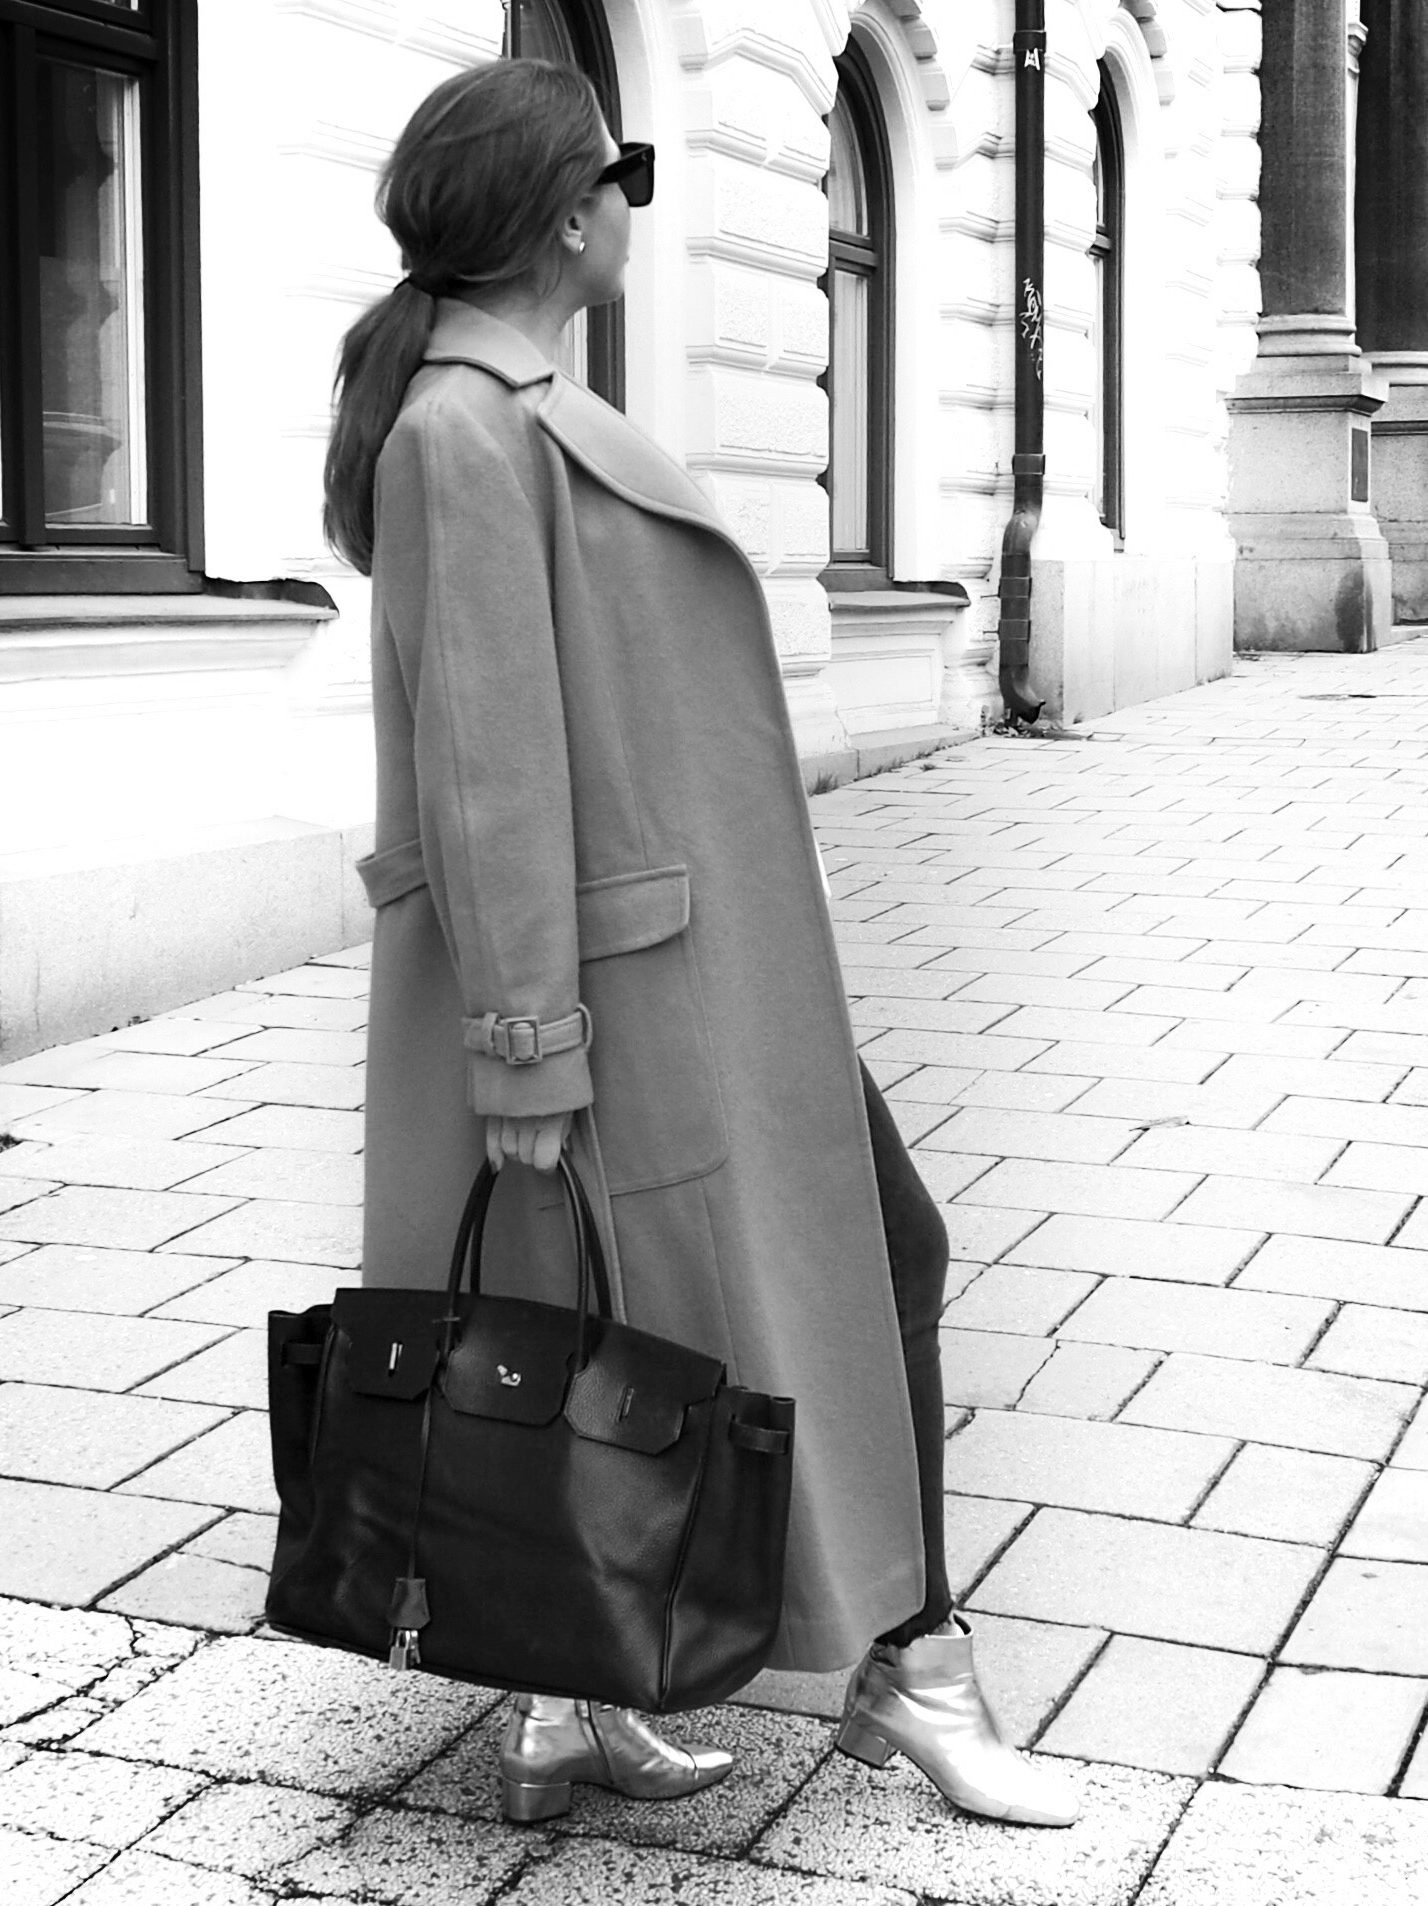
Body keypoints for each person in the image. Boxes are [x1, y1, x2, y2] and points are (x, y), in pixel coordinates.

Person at [324, 57, 1078, 1833]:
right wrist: (525, 1050)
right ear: (558, 215)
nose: (630, 206)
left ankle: (569, 1695)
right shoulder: (462, 431)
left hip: (678, 974)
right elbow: (488, 770)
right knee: (831, 1266)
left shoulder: (507, 411)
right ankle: (915, 1664)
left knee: (611, 1313)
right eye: (624, 176)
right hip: (617, 996)